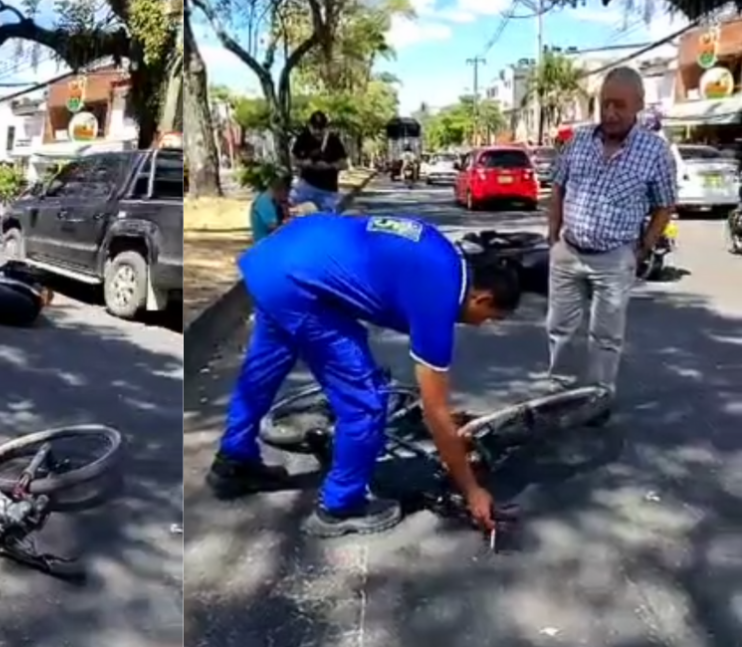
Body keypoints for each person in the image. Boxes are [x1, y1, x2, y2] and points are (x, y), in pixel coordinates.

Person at [205, 213, 522, 538]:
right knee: (365, 402)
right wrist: (471, 490)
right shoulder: (440, 301)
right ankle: (339, 507)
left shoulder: (445, 256)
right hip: (297, 286)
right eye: (490, 317)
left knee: (263, 370)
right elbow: (434, 410)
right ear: (481, 298)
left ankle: (234, 462)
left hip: (276, 259)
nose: (483, 325)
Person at [546, 66, 677, 404]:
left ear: (638, 105)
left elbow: (664, 205)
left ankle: (598, 399)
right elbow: (557, 188)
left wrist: (642, 248)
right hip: (568, 252)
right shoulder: (578, 142)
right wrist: (553, 237)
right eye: (604, 103)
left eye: (619, 105)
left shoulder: (655, 152)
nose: (610, 112)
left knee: (606, 336)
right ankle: (559, 394)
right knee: (560, 328)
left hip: (615, 258)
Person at [290, 111, 348, 212]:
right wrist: (305, 163)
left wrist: (329, 166)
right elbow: (293, 160)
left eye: (320, 128)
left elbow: (344, 164)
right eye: (315, 128)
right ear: (310, 126)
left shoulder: (334, 141)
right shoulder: (303, 139)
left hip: (328, 189)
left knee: (328, 217)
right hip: (307, 186)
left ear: (326, 127)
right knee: (301, 214)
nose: (317, 131)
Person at [250, 177, 291, 242]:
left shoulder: (263, 199)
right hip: (265, 242)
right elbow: (273, 228)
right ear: (280, 191)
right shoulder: (265, 203)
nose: (286, 197)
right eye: (286, 194)